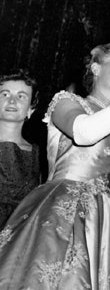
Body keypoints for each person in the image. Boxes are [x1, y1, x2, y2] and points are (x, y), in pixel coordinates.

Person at [0, 42, 110, 290]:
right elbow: (85, 132)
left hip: (102, 223)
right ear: (96, 68)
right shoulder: (66, 101)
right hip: (61, 210)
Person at [0, 69, 40, 229]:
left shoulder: (38, 155)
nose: (12, 101)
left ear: (31, 109)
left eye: (21, 96)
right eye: (5, 94)